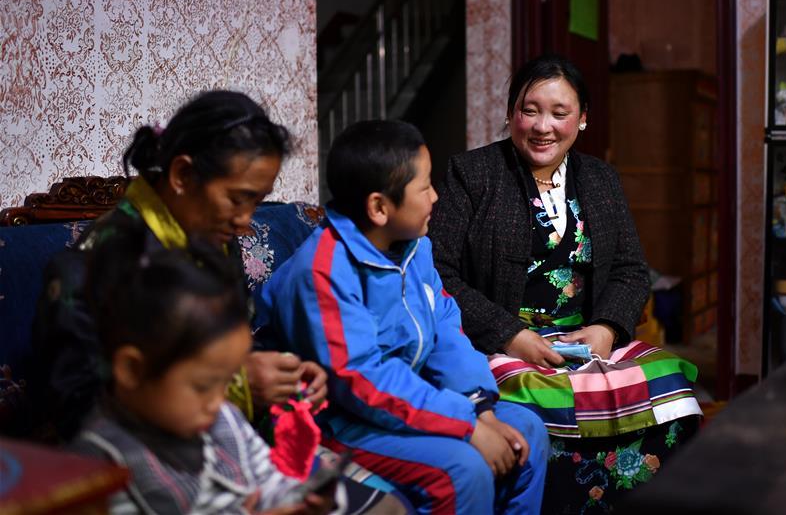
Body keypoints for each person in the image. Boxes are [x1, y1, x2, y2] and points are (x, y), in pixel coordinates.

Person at [428, 54, 703, 512]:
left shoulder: (600, 178)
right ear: (511, 112)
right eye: (530, 109)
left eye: (560, 113)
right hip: (503, 342)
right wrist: (511, 335)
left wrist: (607, 330)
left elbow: (631, 270)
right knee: (545, 402)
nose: (543, 127)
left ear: (583, 119)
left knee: (672, 388)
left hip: (586, 340)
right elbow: (439, 272)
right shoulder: (473, 174)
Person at [259, 120, 549, 514]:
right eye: (425, 186)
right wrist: (466, 425)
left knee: (527, 430)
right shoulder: (323, 271)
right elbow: (362, 380)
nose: (435, 197)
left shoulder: (415, 247)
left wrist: (477, 404)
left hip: (409, 399)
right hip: (347, 421)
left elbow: (446, 329)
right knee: (463, 470)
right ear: (380, 207)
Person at [32, 90, 324, 441]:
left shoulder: (213, 242)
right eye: (236, 199)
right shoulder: (91, 268)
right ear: (183, 175)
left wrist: (282, 375)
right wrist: (234, 386)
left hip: (232, 447)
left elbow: (235, 344)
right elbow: (77, 410)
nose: (245, 221)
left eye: (257, 201)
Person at [71, 237, 337, 514]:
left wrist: (301, 502)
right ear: (131, 370)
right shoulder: (100, 468)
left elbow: (271, 484)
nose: (219, 401)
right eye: (203, 386)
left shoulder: (225, 419)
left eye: (229, 380)